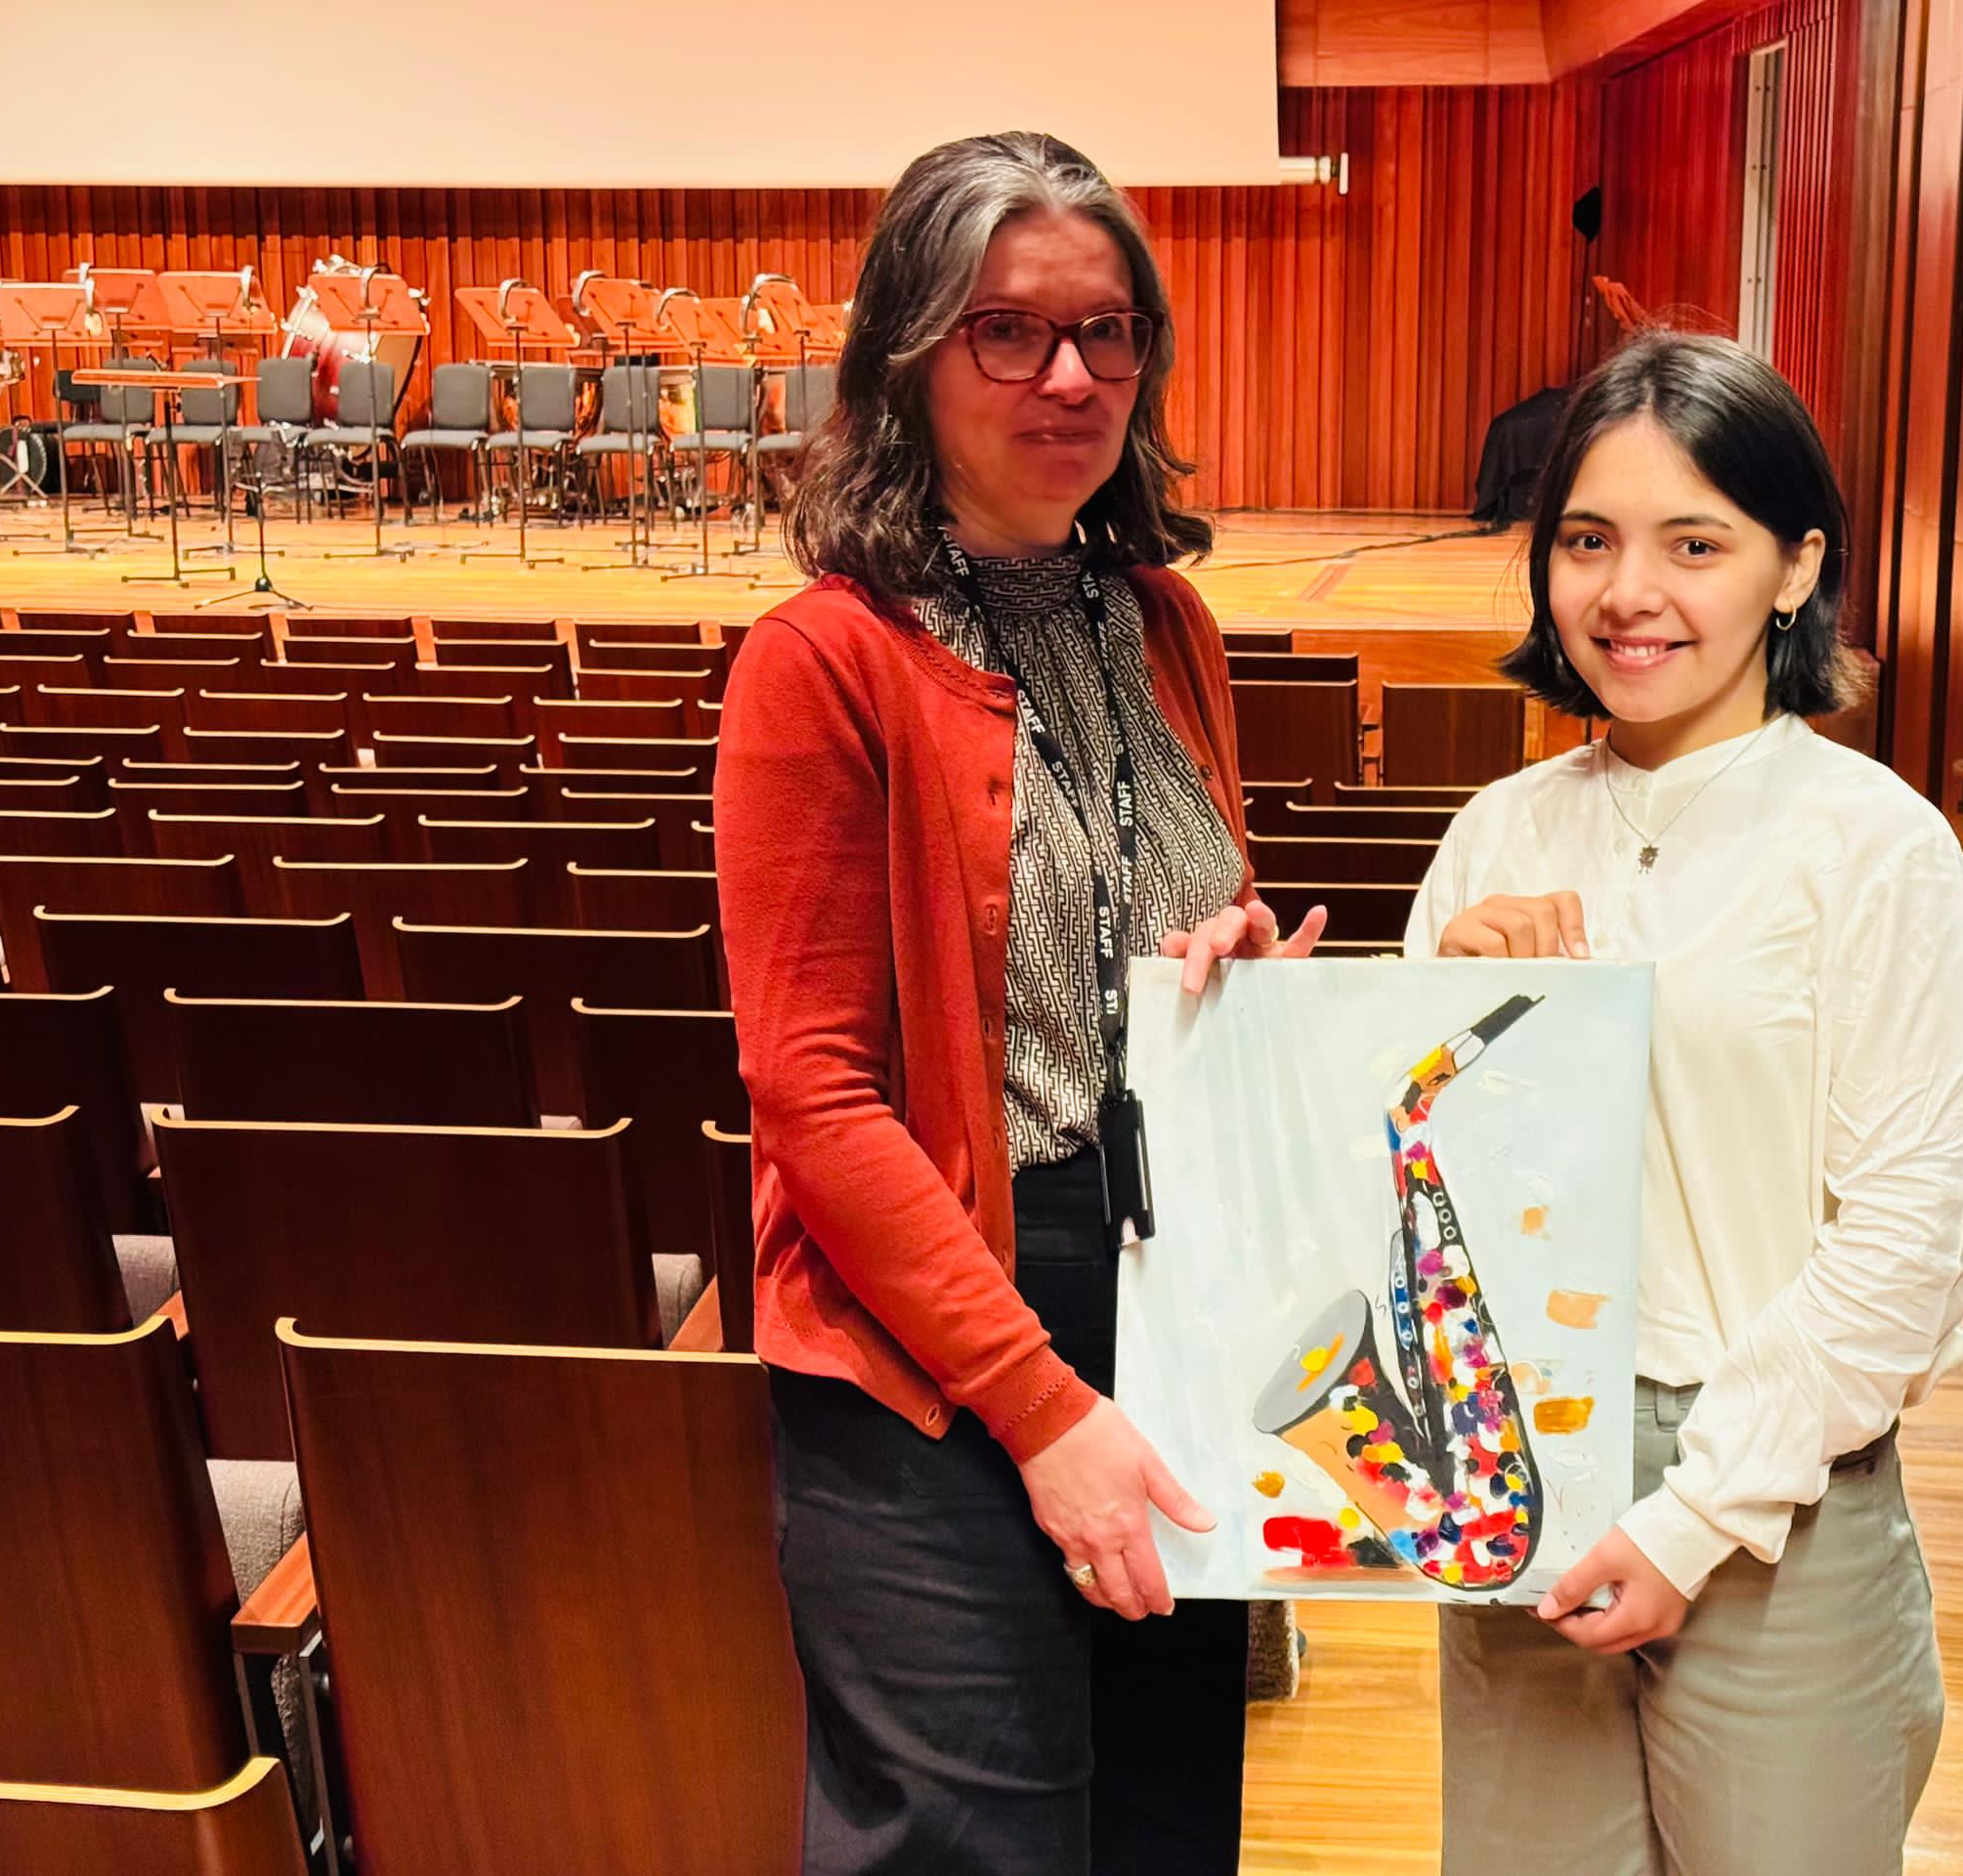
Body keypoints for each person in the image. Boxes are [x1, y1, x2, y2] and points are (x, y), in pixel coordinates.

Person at [715, 131, 1322, 1876]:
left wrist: (1236, 963)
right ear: (910, 355)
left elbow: (1150, 902)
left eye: (1107, 330)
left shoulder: (1165, 623)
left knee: (1163, 1825)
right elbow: (815, 1097)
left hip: (1178, 1299)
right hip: (938, 1342)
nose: (1071, 376)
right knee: (977, 1845)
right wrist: (1043, 1410)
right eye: (1009, 330)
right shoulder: (823, 659)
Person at [1410, 330, 1963, 1875]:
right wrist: (1441, 1029)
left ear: (1798, 568)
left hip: (1780, 1493)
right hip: (1526, 1460)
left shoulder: (1875, 846)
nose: (1628, 593)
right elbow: (1422, 1218)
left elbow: (1910, 1246)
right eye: (1587, 541)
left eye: (1695, 544)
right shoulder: (1494, 834)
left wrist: (1690, 1521)